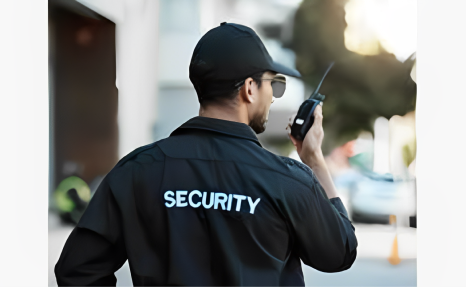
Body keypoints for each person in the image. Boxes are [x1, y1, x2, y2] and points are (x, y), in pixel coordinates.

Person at [55, 22, 357, 287]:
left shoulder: (136, 172)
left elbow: (77, 270)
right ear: (250, 89)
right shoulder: (288, 181)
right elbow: (339, 252)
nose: (272, 97)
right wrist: (315, 160)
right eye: (273, 85)